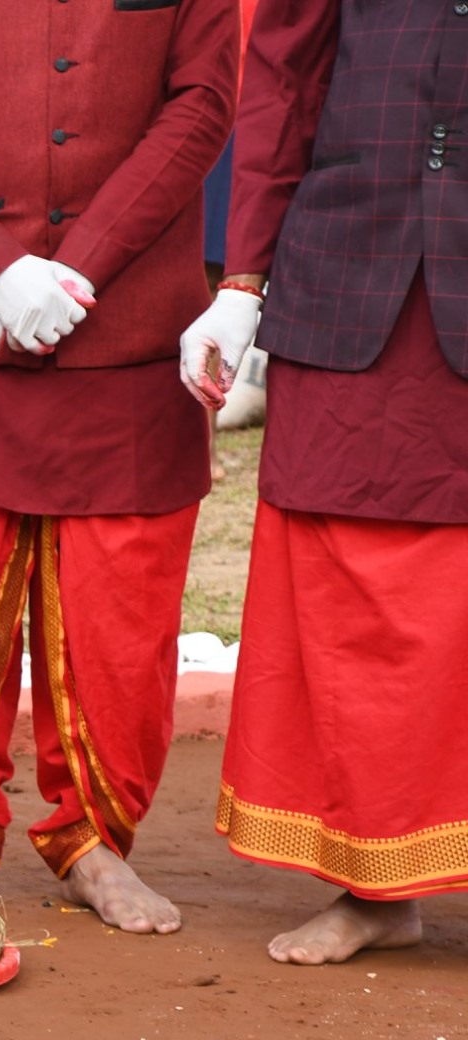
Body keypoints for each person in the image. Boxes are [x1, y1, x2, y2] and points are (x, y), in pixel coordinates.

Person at [0, 0, 236, 931]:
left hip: (129, 324)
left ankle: (93, 841)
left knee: (118, 611)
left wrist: (80, 267)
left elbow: (200, 106)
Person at [179, 0, 468, 965]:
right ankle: (373, 886)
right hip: (350, 271)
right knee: (339, 582)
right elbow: (284, 80)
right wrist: (240, 282)